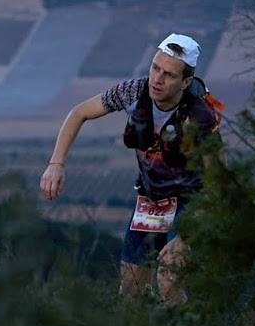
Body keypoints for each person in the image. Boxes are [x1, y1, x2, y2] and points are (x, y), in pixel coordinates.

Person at [40, 33, 221, 304]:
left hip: (190, 202)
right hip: (152, 199)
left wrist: (187, 237)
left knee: (169, 277)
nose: (157, 79)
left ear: (186, 82)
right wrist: (56, 164)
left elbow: (218, 182)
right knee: (131, 290)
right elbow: (79, 113)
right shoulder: (135, 91)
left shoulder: (200, 117)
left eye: (169, 75)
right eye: (155, 68)